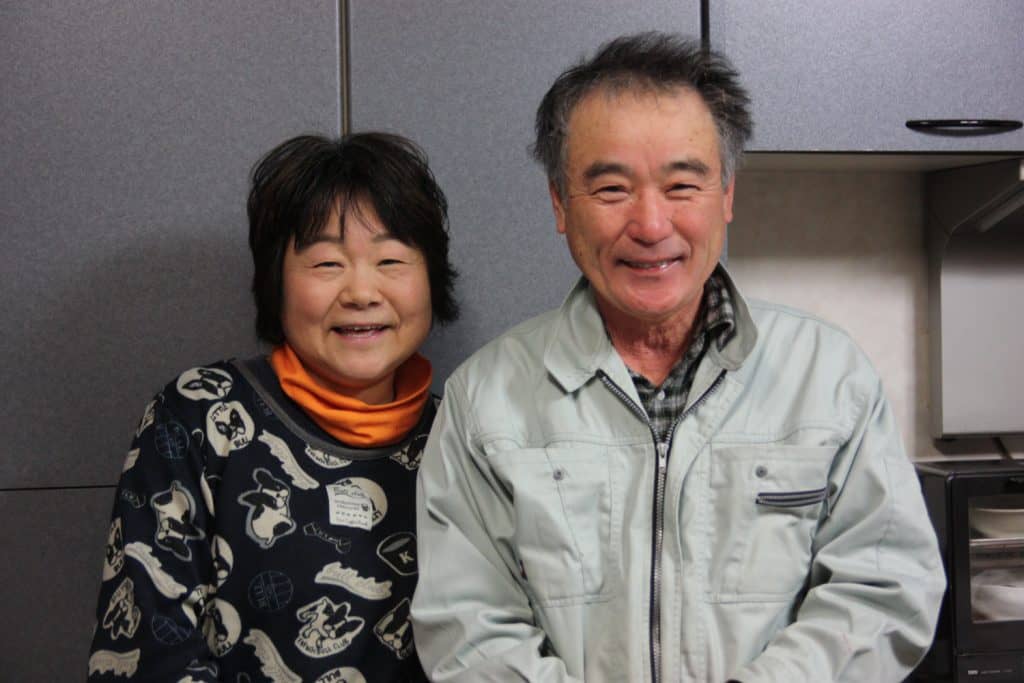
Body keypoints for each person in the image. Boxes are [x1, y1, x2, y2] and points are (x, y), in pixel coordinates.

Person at [411, 32, 945, 682]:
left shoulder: (829, 377)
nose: (651, 224)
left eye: (682, 184)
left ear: (727, 194)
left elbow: (885, 587)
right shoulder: (485, 400)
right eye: (612, 189)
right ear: (559, 203)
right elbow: (468, 627)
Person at [87, 132, 458, 681]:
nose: (362, 292)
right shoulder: (202, 416)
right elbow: (149, 651)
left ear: (430, 279)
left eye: (390, 259)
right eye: (327, 264)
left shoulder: (464, 436)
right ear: (275, 283)